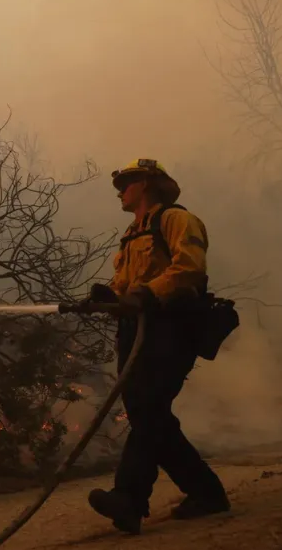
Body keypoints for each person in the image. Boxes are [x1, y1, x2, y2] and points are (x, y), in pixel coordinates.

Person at [85, 158, 231, 534]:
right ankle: (206, 493)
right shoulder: (133, 233)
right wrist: (108, 297)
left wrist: (149, 294)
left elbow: (190, 268)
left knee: (148, 408)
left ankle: (129, 498)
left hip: (171, 326)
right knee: (148, 415)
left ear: (147, 183)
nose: (120, 190)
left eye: (127, 183)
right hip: (136, 332)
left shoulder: (177, 220)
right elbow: (126, 286)